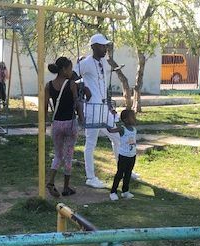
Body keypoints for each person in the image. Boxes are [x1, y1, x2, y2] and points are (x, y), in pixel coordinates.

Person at [73, 34, 120, 189]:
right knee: (91, 143)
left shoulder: (104, 64)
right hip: (92, 109)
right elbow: (71, 77)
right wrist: (82, 87)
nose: (105, 49)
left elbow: (104, 86)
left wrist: (110, 106)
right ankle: (90, 177)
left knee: (117, 137)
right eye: (101, 46)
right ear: (93, 47)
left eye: (106, 46)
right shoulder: (85, 63)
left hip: (104, 108)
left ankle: (123, 169)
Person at [44, 57, 85, 197]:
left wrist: (44, 124)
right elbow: (77, 103)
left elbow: (44, 108)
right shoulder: (71, 84)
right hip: (70, 123)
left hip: (56, 124)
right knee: (68, 156)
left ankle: (50, 182)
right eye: (70, 68)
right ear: (63, 69)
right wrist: (82, 118)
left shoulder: (49, 85)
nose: (71, 71)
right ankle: (66, 187)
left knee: (58, 155)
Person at [108, 109, 137, 201]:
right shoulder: (122, 129)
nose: (134, 119)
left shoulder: (134, 129)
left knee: (128, 174)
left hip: (132, 155)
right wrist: (112, 118)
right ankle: (113, 192)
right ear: (125, 120)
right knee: (120, 173)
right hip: (123, 156)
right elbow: (111, 130)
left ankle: (125, 191)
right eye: (132, 117)